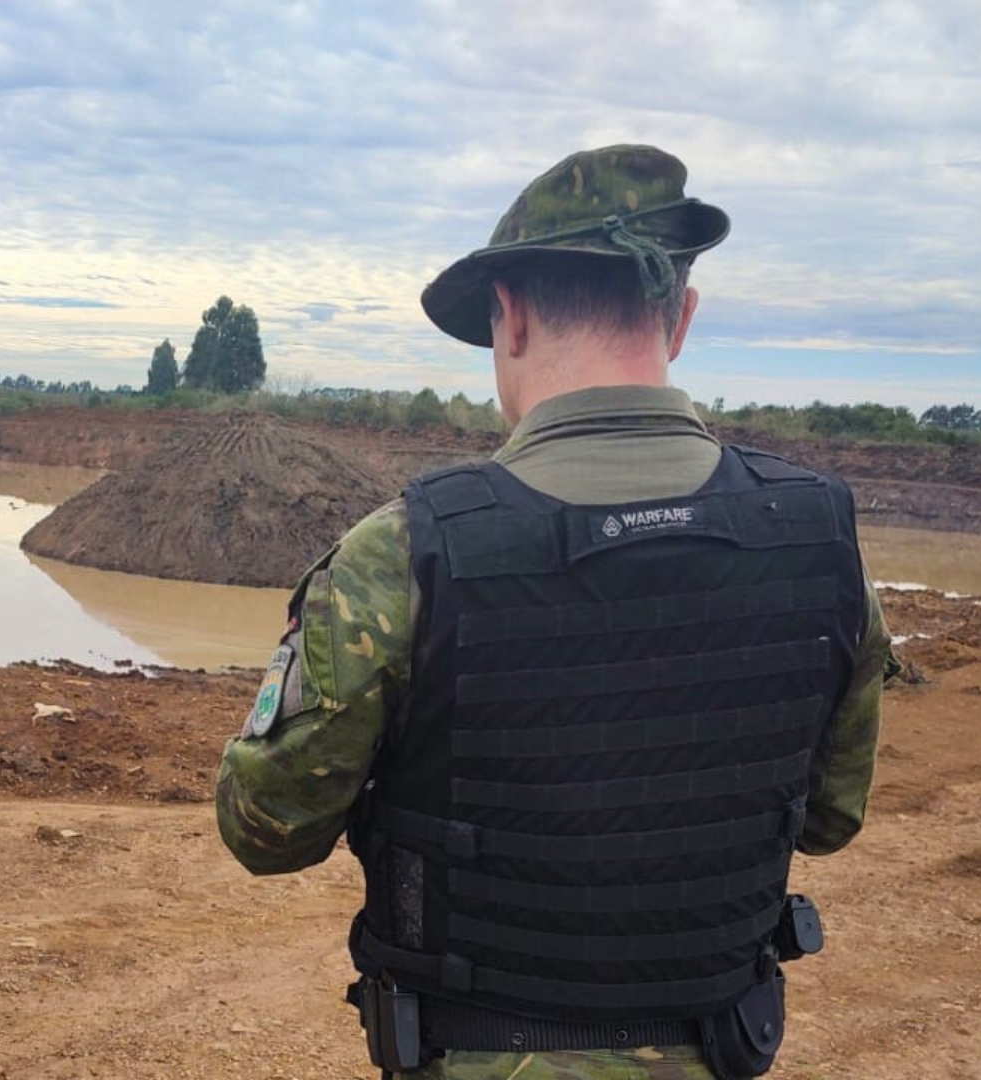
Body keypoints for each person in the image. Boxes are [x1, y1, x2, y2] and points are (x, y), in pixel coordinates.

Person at [215, 145, 896, 1080]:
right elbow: (827, 820)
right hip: (723, 1047)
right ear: (683, 316)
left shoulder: (402, 552)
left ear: (513, 315)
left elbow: (267, 830)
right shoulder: (822, 544)